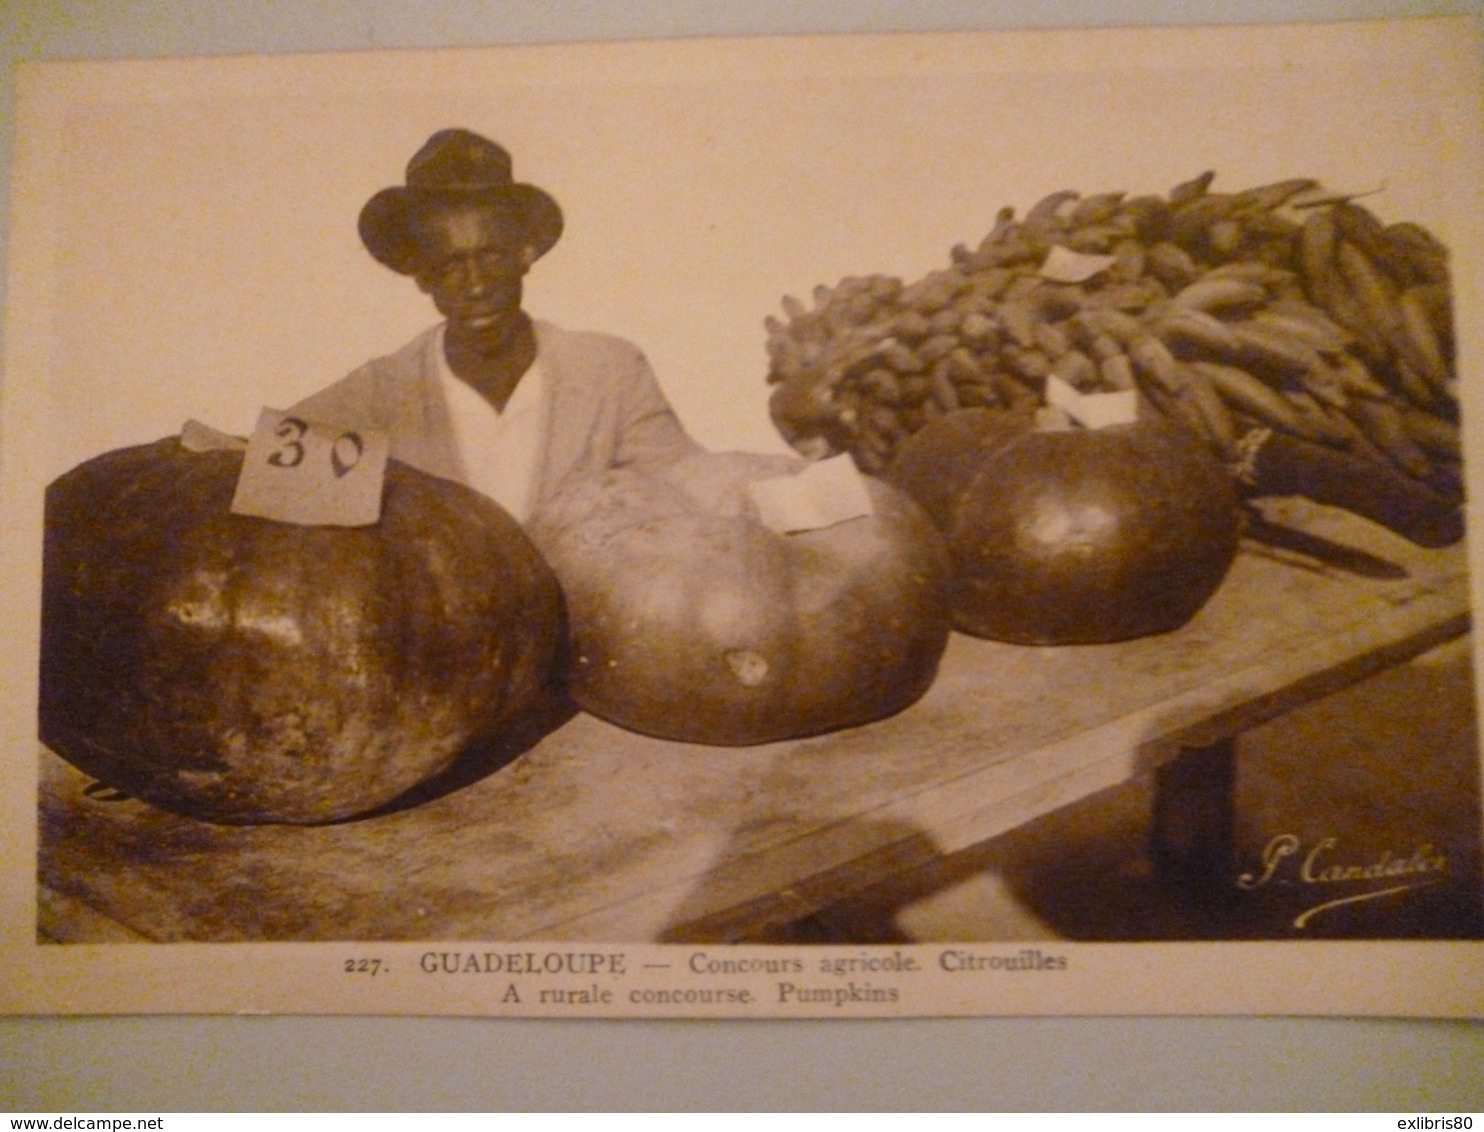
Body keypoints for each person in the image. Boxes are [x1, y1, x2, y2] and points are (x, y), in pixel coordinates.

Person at [289, 128, 701, 522]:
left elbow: (692, 487)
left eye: (492, 256)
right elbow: (259, 472)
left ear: (526, 253)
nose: (476, 285)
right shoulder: (380, 394)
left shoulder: (609, 373)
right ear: (421, 275)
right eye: (450, 265)